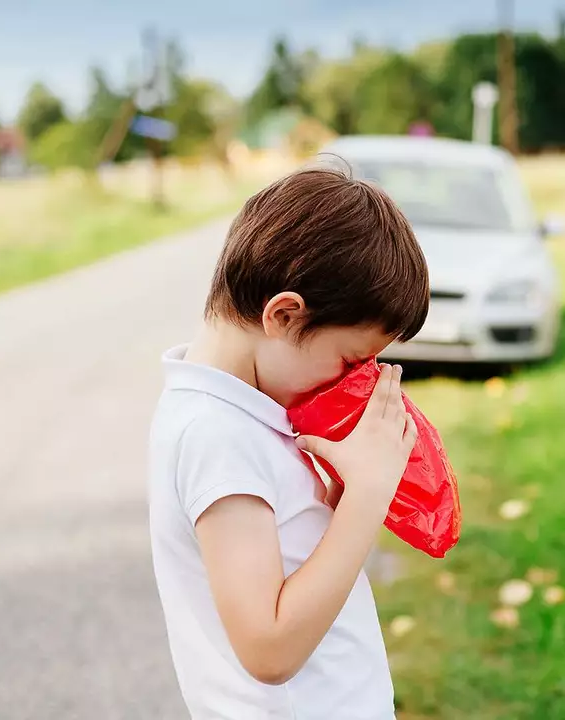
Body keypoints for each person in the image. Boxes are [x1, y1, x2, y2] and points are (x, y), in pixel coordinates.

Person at [147, 164, 429, 719]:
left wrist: (336, 504)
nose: (353, 379)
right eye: (349, 360)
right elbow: (269, 648)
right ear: (284, 314)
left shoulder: (245, 417)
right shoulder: (217, 434)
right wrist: (368, 498)